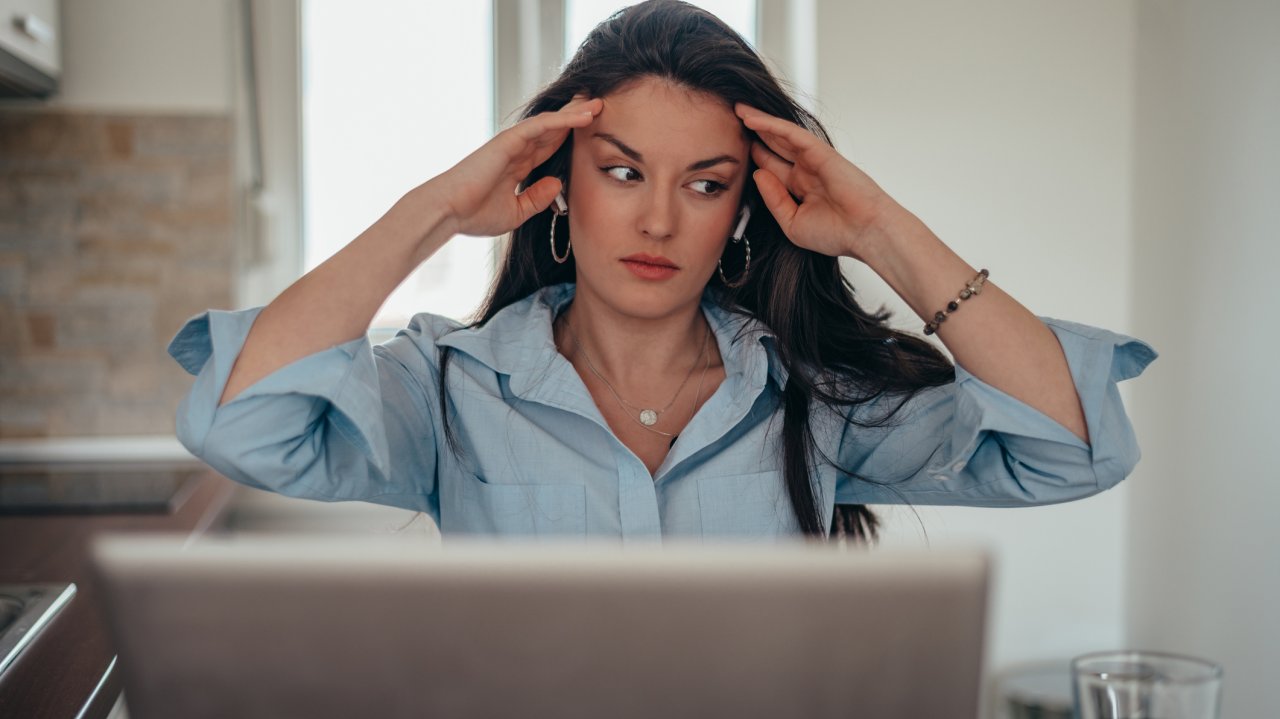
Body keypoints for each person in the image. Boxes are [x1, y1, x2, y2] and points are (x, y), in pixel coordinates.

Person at [168, 0, 1155, 543]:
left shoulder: (810, 396)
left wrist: (878, 229)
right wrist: (429, 213)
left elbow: (1071, 446)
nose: (653, 217)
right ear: (563, 182)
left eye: (703, 182)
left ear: (738, 210)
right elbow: (242, 418)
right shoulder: (445, 387)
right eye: (622, 169)